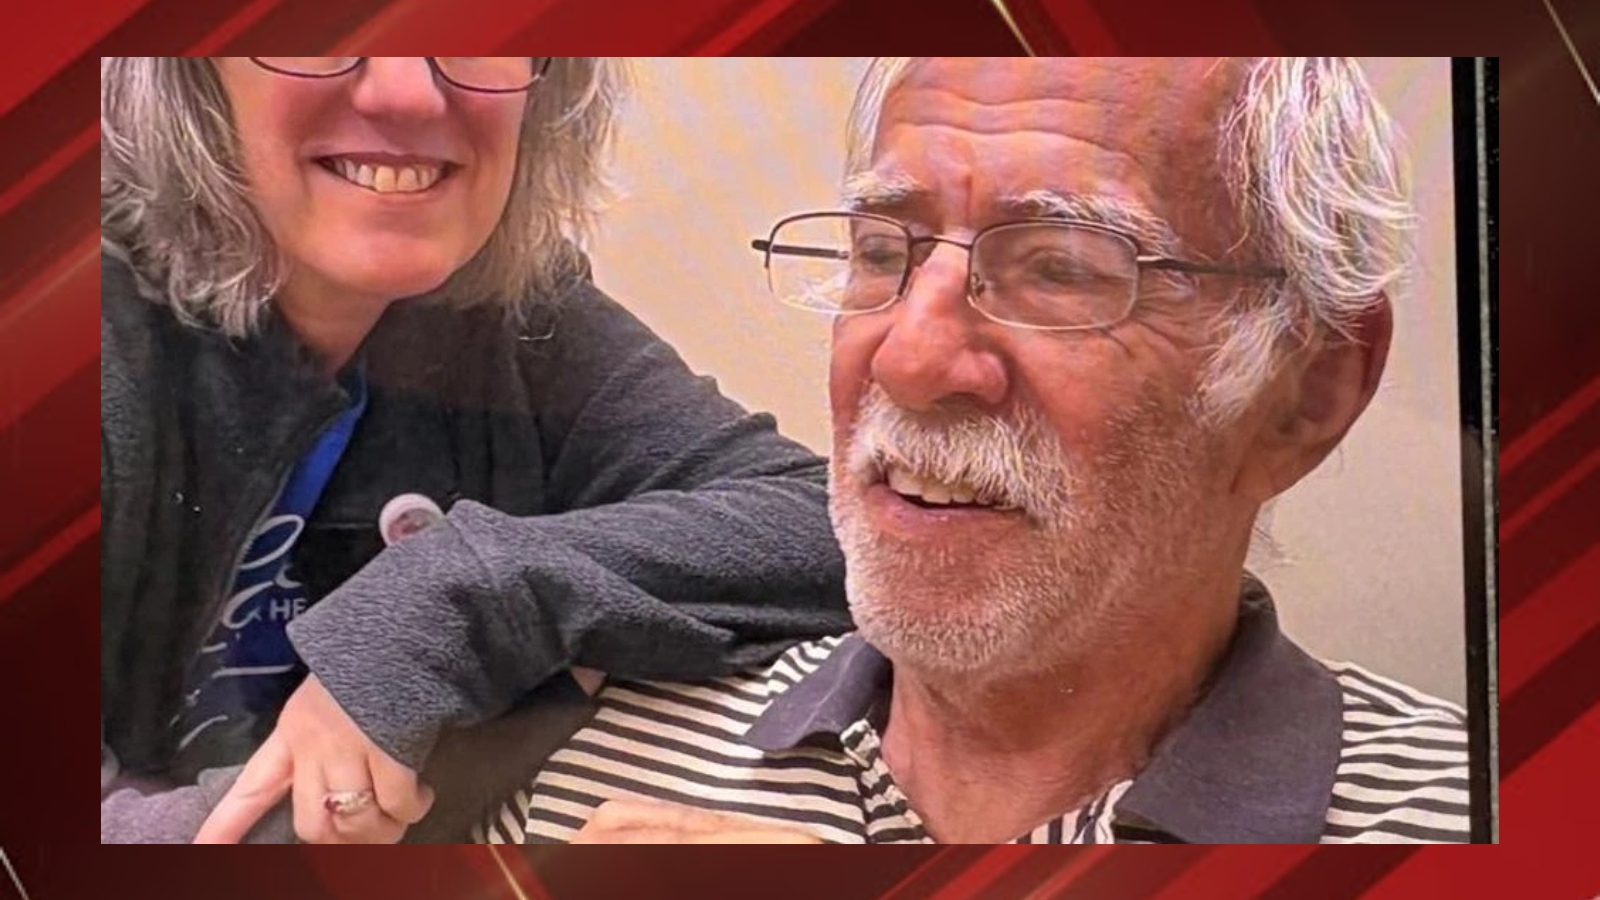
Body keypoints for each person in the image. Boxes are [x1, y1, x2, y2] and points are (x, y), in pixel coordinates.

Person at [475, 56, 1472, 845]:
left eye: (1061, 269)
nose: (908, 359)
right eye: (879, 249)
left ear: (1304, 394)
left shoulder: (1485, 818)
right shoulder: (592, 762)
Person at [99, 56, 851, 844]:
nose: (407, 93)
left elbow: (823, 529)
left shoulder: (514, 312)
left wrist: (454, 602)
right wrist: (488, 738)